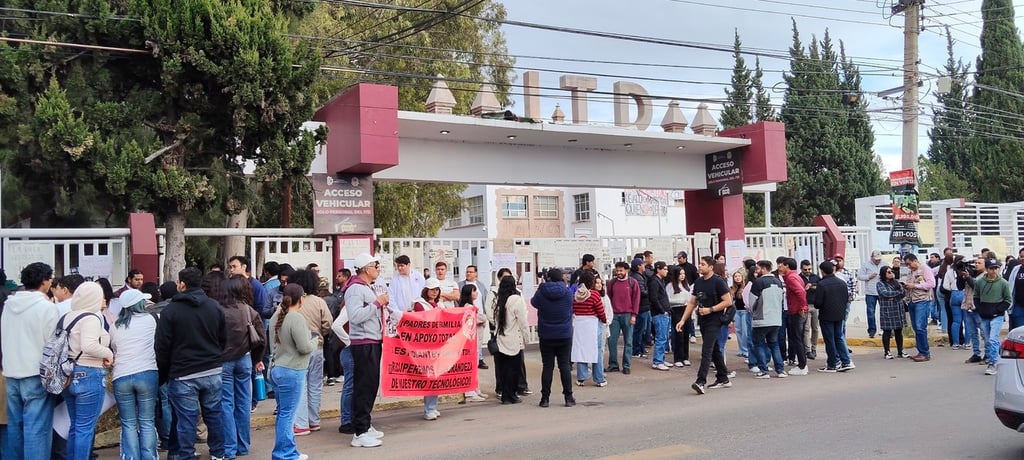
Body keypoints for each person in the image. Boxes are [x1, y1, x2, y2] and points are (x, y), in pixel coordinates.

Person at [154, 267, 227, 460]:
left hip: (183, 374)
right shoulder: (214, 307)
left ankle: (185, 455)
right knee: (214, 415)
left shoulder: (171, 311)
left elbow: (162, 346)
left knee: (186, 420)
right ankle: (218, 453)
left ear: (182, 284)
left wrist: (164, 373)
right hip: (212, 370)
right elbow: (223, 338)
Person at [2, 262, 58, 460]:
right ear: (44, 282)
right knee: (37, 429)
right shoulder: (47, 308)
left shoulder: (9, 305)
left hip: (11, 372)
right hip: (35, 373)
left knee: (15, 427)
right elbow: (53, 344)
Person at [63, 282, 113, 460]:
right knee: (85, 428)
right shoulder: (91, 318)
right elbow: (89, 345)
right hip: (89, 374)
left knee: (75, 426)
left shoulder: (68, 317)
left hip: (68, 375)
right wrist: (108, 353)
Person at [268, 284, 318, 460]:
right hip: (292, 370)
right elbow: (304, 347)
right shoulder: (296, 318)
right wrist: (315, 340)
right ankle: (284, 453)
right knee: (288, 415)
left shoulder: (276, 316)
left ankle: (288, 450)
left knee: (283, 413)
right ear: (300, 299)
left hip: (277, 369)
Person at [345, 254, 391, 448]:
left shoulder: (364, 288)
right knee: (364, 386)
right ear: (365, 268)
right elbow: (355, 317)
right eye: (375, 265)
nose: (378, 268)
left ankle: (365, 424)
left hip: (372, 340)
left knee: (370, 385)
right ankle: (360, 431)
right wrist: (377, 303)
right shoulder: (355, 289)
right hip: (363, 343)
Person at [219, 275, 266, 459]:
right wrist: (258, 359)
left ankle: (229, 448)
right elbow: (261, 339)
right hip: (245, 361)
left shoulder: (219, 312)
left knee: (226, 404)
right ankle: (243, 445)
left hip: (223, 361)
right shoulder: (249, 311)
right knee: (243, 403)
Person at [110, 287, 159, 460]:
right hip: (147, 372)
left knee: (128, 423)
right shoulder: (152, 319)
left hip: (121, 374)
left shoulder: (115, 325)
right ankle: (149, 456)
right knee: (147, 421)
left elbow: (114, 348)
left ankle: (131, 457)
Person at [676, 256, 733, 395]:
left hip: (715, 320)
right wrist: (683, 320)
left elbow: (728, 301)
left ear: (711, 267)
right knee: (714, 350)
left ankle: (700, 381)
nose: (700, 266)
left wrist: (711, 309)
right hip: (703, 320)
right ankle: (723, 378)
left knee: (706, 350)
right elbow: (692, 302)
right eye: (699, 264)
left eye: (703, 264)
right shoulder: (698, 282)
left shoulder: (718, 282)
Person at [531, 268, 575, 408]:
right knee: (564, 366)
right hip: (564, 333)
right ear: (561, 277)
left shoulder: (542, 292)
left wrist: (542, 285)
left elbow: (534, 303)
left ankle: (545, 398)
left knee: (547, 366)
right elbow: (570, 306)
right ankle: (568, 397)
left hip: (546, 334)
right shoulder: (567, 292)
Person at [492, 276, 529, 405]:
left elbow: (493, 319)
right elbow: (523, 321)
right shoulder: (516, 300)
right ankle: (512, 395)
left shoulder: (498, 299)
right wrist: (526, 338)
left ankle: (505, 395)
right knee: (514, 369)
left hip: (501, 339)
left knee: (503, 369)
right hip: (513, 339)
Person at [413, 278, 446, 420]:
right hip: (426, 346)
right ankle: (429, 409)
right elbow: (424, 321)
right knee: (430, 377)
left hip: (439, 345)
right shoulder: (419, 304)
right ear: (426, 290)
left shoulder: (440, 304)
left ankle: (433, 406)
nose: (434, 292)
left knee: (436, 376)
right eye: (432, 289)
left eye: (437, 290)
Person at [814, 261, 853, 373]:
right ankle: (846, 361)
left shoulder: (822, 284)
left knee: (830, 340)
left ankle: (833, 363)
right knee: (839, 338)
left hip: (826, 315)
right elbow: (846, 298)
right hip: (839, 314)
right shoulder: (841, 282)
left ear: (822, 271)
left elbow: (818, 303)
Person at [975, 258, 1012, 376]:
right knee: (987, 339)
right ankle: (996, 355)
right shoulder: (980, 282)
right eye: (991, 268)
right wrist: (980, 309)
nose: (994, 270)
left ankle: (993, 362)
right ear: (986, 269)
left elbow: (1008, 300)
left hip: (997, 315)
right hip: (984, 314)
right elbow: (976, 296)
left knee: (992, 338)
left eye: (996, 268)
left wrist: (997, 310)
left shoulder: (1003, 283)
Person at [748, 260, 785, 378]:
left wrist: (754, 312)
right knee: (774, 344)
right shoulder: (778, 282)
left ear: (764, 269)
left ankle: (764, 370)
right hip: (776, 319)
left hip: (761, 320)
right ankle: (780, 370)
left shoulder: (758, 282)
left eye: (757, 269)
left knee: (758, 344)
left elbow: (751, 302)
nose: (756, 272)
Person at [572, 271, 607, 386]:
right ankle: (599, 379)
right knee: (596, 351)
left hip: (579, 324)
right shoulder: (594, 295)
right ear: (591, 282)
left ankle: (581, 378)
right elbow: (600, 311)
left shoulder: (576, 294)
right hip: (592, 323)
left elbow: (573, 309)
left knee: (581, 350)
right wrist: (604, 320)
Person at [605, 262, 640, 375]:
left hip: (628, 315)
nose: (619, 273)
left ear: (627, 270)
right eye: (617, 270)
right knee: (611, 341)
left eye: (621, 270)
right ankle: (613, 364)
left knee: (628, 341)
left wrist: (634, 315)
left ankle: (626, 365)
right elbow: (608, 298)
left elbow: (636, 299)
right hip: (614, 315)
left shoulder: (632, 283)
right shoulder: (612, 283)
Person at [457, 283, 489, 403]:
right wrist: (482, 318)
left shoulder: (471, 306)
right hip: (471, 341)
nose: (476, 293)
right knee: (471, 366)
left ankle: (476, 389)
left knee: (475, 366)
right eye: (474, 291)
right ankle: (470, 392)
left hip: (476, 341)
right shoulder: (468, 307)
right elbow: (480, 319)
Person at [902, 254, 936, 362]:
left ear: (915, 260)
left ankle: (925, 353)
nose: (909, 266)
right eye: (907, 265)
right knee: (916, 328)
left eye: (909, 264)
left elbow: (931, 283)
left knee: (920, 327)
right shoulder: (911, 272)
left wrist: (915, 286)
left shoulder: (925, 269)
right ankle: (921, 351)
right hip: (912, 300)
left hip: (922, 301)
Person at [779, 258, 809, 375]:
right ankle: (802, 364)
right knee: (798, 338)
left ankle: (802, 366)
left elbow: (801, 292)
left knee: (797, 338)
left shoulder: (791, 278)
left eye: (782, 265)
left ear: (787, 266)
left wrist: (802, 307)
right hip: (797, 310)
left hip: (797, 311)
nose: (780, 268)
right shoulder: (795, 276)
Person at [458, 265, 489, 371]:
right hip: (472, 318)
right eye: (467, 272)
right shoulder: (461, 285)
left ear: (476, 273)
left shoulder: (481, 286)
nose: (468, 274)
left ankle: (480, 359)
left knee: (478, 342)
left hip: (479, 315)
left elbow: (485, 298)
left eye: (471, 272)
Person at [876, 266, 907, 359]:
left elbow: (903, 292)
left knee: (899, 331)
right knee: (887, 331)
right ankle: (887, 352)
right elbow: (885, 293)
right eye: (888, 272)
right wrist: (896, 294)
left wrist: (894, 295)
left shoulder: (896, 282)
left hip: (898, 309)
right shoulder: (880, 283)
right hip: (888, 309)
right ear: (883, 274)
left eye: (891, 271)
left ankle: (900, 351)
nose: (891, 273)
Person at [648, 262, 672, 370]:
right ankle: (658, 361)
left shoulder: (660, 280)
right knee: (661, 337)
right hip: (659, 314)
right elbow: (654, 298)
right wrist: (662, 310)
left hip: (664, 312)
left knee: (664, 337)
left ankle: (661, 359)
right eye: (665, 269)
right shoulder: (654, 281)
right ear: (658, 269)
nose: (667, 271)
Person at [666, 266, 692, 367]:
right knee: (679, 334)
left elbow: (690, 297)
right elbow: (667, 299)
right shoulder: (670, 286)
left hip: (686, 309)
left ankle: (685, 357)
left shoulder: (686, 285)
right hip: (676, 310)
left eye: (683, 274)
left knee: (686, 334)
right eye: (680, 274)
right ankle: (678, 357)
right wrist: (679, 301)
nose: (682, 276)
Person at [857, 250, 885, 339]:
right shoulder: (866, 265)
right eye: (876, 259)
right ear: (871, 258)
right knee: (870, 312)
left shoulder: (884, 264)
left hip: (882, 291)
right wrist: (869, 277)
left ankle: (885, 329)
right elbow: (859, 276)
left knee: (884, 311)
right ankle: (872, 331)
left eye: (879, 259)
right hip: (870, 292)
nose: (877, 261)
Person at [799, 260, 821, 360]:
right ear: (801, 269)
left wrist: (812, 286)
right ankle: (808, 350)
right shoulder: (799, 278)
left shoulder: (815, 277)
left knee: (815, 328)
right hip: (806, 305)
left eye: (809, 269)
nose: (807, 271)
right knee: (806, 328)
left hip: (815, 305)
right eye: (805, 269)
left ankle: (814, 348)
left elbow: (821, 287)